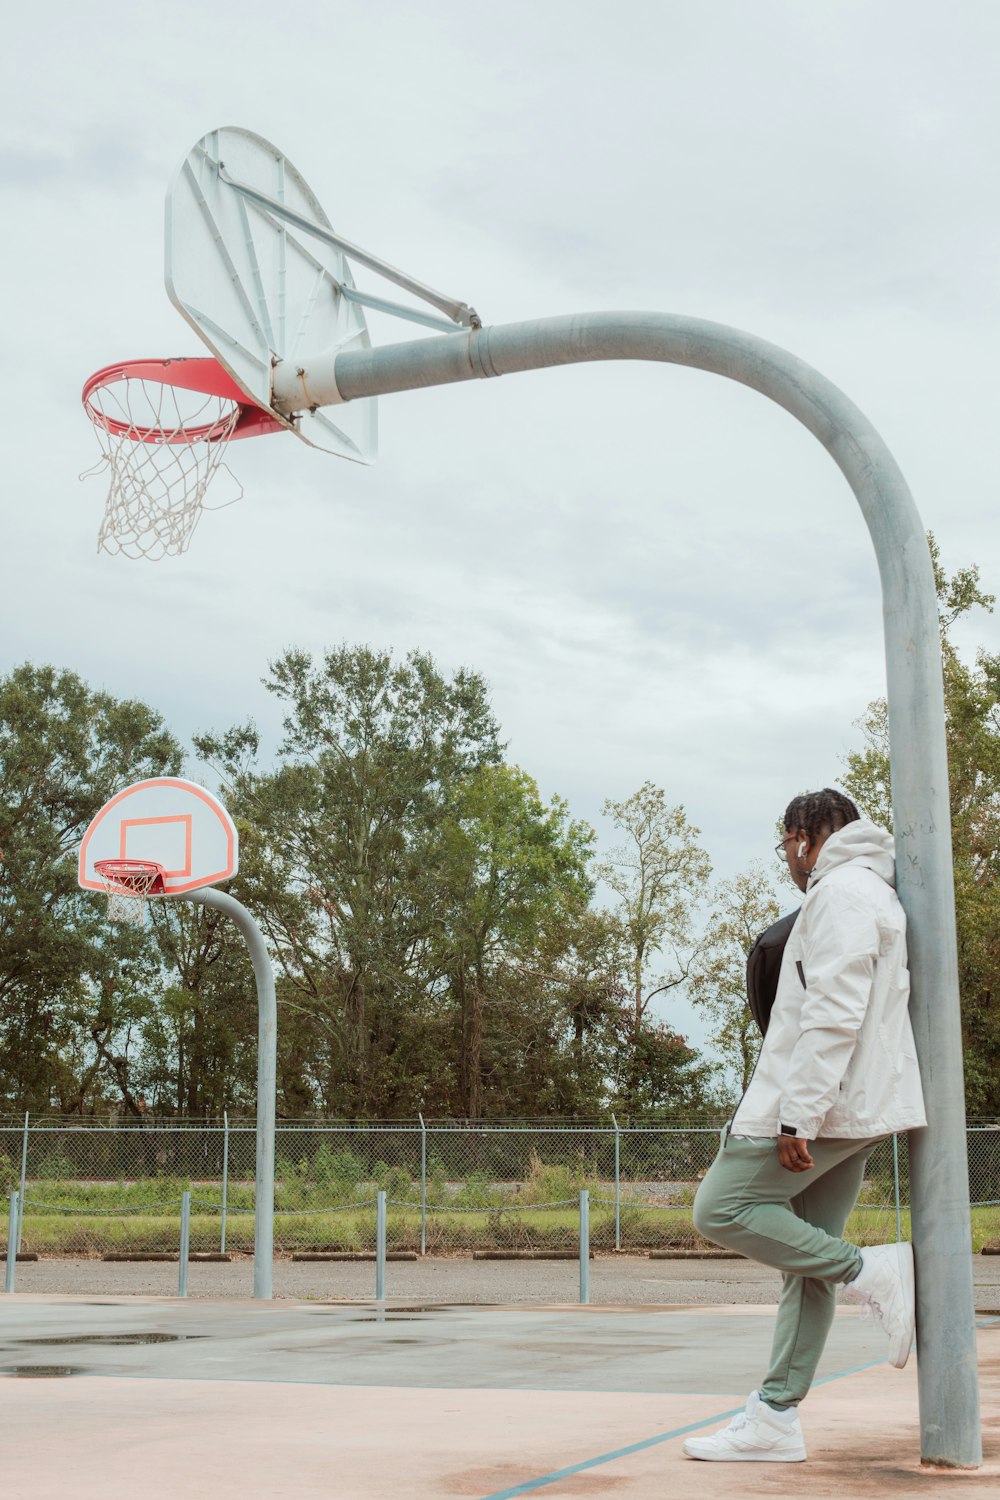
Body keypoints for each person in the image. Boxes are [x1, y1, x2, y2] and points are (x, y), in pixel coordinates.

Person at [683, 788, 926, 1464]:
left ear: (800, 837)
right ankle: (775, 1417)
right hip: (849, 1107)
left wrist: (799, 1115)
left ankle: (873, 1269)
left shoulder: (841, 892)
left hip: (824, 1108)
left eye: (784, 843)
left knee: (722, 1206)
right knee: (806, 1262)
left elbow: (834, 1012)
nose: (786, 858)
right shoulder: (868, 887)